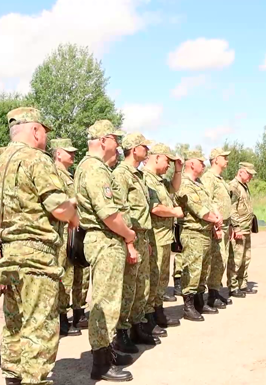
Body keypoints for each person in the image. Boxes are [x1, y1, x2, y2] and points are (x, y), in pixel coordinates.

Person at [0, 107, 80, 385]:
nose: (46, 138)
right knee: (40, 325)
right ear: (35, 130)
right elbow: (58, 207)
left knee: (15, 322)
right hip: (35, 256)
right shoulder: (36, 160)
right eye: (44, 131)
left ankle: (13, 376)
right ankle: (34, 380)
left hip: (6, 255)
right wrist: (73, 214)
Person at [74, 119, 134, 381]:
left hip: (105, 240)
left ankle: (105, 351)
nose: (118, 144)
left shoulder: (92, 167)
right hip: (105, 240)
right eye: (115, 139)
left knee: (109, 299)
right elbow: (109, 214)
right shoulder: (95, 170)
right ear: (103, 141)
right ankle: (100, 361)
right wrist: (129, 234)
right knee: (105, 302)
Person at [112, 132, 162, 352]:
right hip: (130, 236)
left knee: (142, 286)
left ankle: (136, 326)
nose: (148, 151)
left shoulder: (138, 175)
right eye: (144, 147)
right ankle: (121, 332)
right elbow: (120, 210)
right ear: (134, 149)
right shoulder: (121, 174)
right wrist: (129, 243)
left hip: (142, 235)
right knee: (129, 287)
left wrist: (144, 240)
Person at [175, 150, 223, 321]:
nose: (203, 165)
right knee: (192, 270)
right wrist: (215, 220)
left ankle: (199, 302)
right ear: (191, 164)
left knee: (203, 269)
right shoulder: (185, 184)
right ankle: (188, 307)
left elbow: (210, 203)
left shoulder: (199, 183)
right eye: (200, 162)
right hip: (193, 233)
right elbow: (198, 209)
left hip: (204, 232)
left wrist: (216, 217)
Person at [143, 143, 183, 328]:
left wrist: (178, 171)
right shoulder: (146, 179)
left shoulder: (159, 180)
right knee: (153, 276)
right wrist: (174, 212)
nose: (168, 165)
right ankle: (149, 316)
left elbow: (174, 188)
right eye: (167, 161)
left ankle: (158, 311)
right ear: (156, 158)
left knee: (161, 277)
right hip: (154, 237)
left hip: (164, 237)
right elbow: (154, 207)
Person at [49, 138, 83, 337]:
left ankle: (66, 315)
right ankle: (60, 318)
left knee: (70, 273)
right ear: (58, 153)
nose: (73, 155)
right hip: (60, 231)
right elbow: (58, 203)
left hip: (69, 230)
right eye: (68, 152)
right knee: (62, 274)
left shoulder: (67, 175)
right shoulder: (54, 174)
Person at [202, 148, 234, 309]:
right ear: (215, 160)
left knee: (222, 258)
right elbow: (207, 200)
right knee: (216, 258)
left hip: (226, 224)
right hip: (216, 224)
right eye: (224, 157)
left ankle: (215, 290)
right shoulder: (209, 178)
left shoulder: (220, 179)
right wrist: (215, 222)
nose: (227, 160)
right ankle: (211, 294)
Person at [227, 162, 257, 298]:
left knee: (246, 257)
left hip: (246, 228)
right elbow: (231, 209)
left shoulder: (244, 186)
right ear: (241, 172)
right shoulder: (234, 186)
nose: (251, 177)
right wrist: (236, 227)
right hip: (239, 228)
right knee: (236, 259)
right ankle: (233, 286)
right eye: (249, 174)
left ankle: (242, 284)